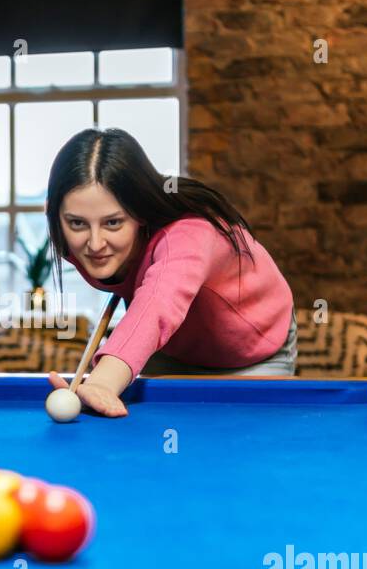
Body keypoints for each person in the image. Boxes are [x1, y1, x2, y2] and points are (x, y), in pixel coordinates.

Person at [45, 128, 296, 418]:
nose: (95, 243)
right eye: (77, 223)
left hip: (252, 350)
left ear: (139, 213)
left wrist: (103, 381)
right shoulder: (70, 240)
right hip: (171, 351)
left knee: (238, 444)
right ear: (55, 215)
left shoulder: (190, 233)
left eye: (113, 223)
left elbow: (158, 301)